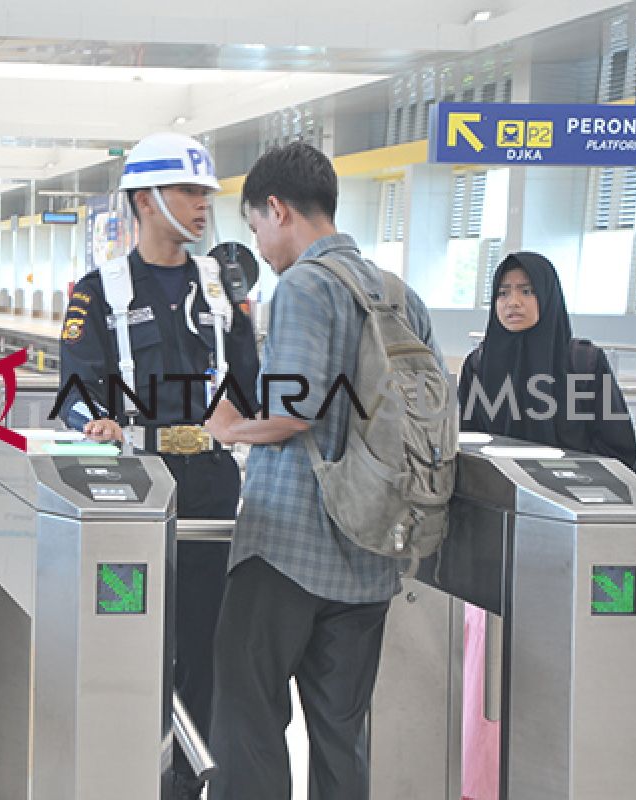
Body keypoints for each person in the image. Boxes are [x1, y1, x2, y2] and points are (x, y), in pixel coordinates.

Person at [202, 141, 442, 799]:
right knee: (341, 733)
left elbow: (293, 410)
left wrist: (228, 428)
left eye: (257, 227)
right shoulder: (399, 294)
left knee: (246, 712)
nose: (262, 244)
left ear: (278, 209)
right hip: (371, 551)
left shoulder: (305, 285)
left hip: (288, 548)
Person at [56, 132, 260, 800]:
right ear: (146, 199)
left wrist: (236, 414)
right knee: (126, 632)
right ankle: (121, 770)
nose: (203, 206)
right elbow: (76, 383)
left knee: (203, 646)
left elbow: (250, 383)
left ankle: (181, 784)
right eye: (189, 192)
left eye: (205, 193)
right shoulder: (100, 290)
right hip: (134, 487)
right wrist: (96, 420)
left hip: (208, 485)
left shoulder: (220, 289)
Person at [455, 251, 636, 800]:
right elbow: (464, 453)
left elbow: (619, 453)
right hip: (495, 553)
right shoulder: (480, 365)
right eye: (504, 291)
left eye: (526, 291)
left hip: (568, 547)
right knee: (491, 683)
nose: (513, 302)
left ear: (549, 296)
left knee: (560, 670)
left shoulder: (583, 363)